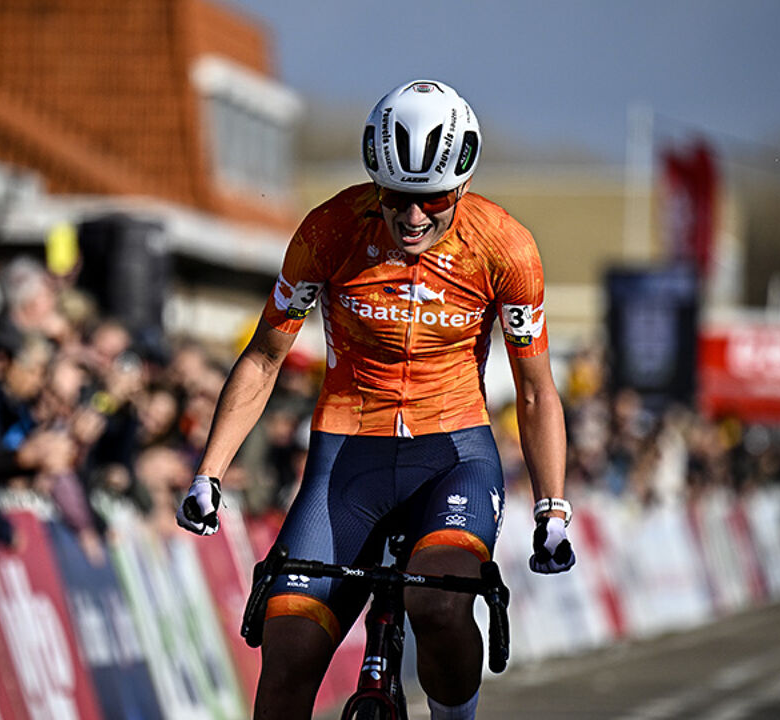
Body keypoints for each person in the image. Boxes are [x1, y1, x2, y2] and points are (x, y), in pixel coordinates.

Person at [176, 79, 576, 720]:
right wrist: (209, 473)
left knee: (438, 606)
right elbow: (264, 358)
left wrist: (552, 507)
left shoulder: (505, 247)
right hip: (347, 459)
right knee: (287, 654)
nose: (413, 217)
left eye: (433, 199)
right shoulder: (329, 230)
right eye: (396, 197)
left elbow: (535, 391)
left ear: (463, 185)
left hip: (452, 456)